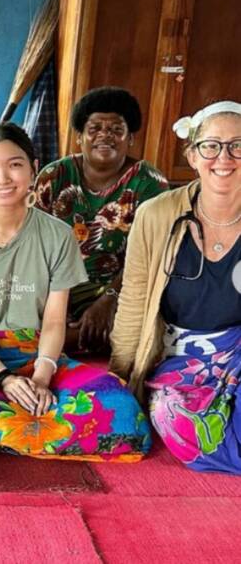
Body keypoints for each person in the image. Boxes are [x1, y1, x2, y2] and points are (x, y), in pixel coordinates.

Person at [0, 123, 151, 470]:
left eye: (14, 165)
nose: (2, 177)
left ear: (34, 168)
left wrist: (41, 379)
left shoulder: (57, 236)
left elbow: (54, 320)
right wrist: (4, 378)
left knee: (124, 412)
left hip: (40, 354)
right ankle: (2, 424)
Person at [110, 101, 241, 473]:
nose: (224, 158)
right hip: (180, 359)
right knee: (175, 417)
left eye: (238, 145)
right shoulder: (156, 214)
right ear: (193, 155)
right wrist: (121, 374)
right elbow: (134, 298)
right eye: (211, 146)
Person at [35, 87, 168, 355]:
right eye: (94, 128)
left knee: (135, 335)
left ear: (130, 138)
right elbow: (31, 243)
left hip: (121, 290)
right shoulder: (54, 176)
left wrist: (109, 300)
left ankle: (65, 342)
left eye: (116, 129)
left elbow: (152, 257)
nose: (105, 135)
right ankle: (70, 340)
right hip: (53, 286)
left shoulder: (150, 184)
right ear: (79, 137)